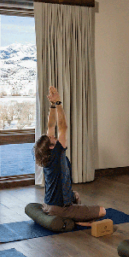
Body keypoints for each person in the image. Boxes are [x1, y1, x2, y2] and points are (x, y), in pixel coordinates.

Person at [33, 86, 105, 224]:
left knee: (75, 196)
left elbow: (51, 125)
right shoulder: (57, 153)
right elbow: (62, 126)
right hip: (60, 209)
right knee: (102, 211)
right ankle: (74, 219)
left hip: (48, 205)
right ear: (51, 145)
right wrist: (59, 103)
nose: (52, 135)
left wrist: (53, 105)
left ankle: (76, 217)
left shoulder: (47, 155)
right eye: (51, 137)